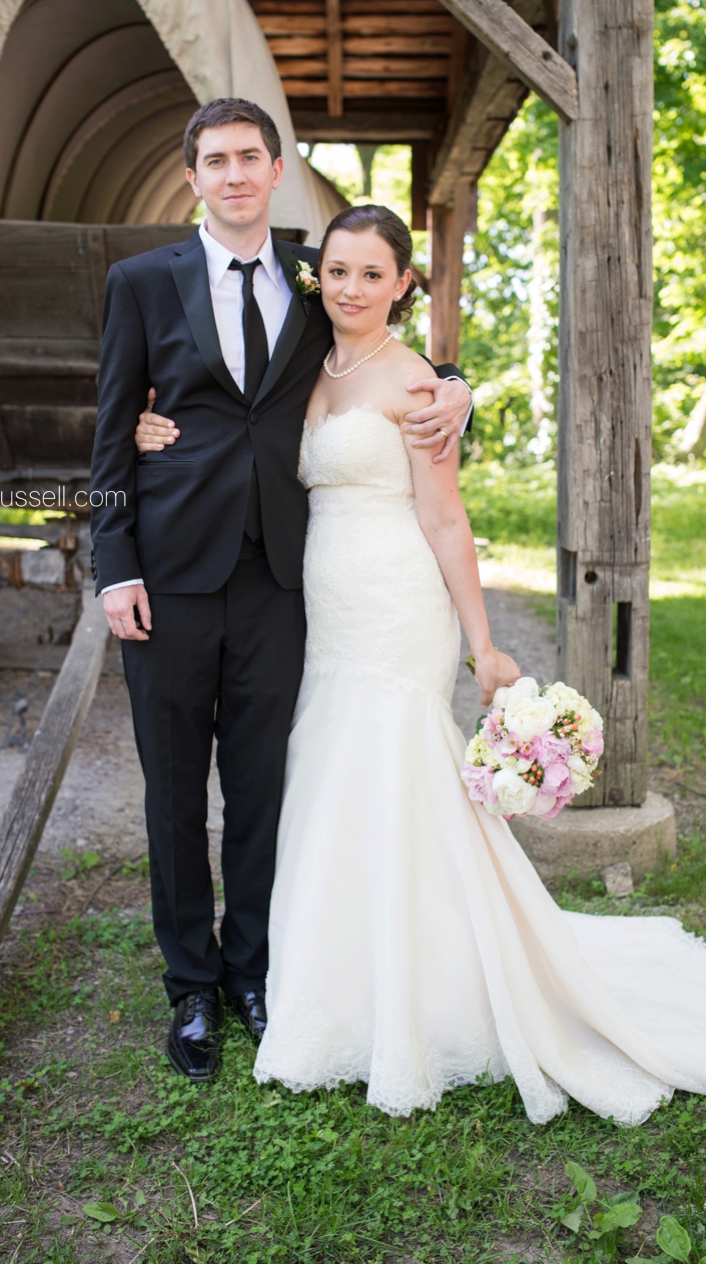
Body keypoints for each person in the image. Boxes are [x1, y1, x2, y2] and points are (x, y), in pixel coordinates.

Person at [147, 206, 706, 1123]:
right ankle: (331, 967)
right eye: (337, 271)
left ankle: (419, 986)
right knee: (325, 772)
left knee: (394, 764)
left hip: (395, 602)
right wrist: (143, 425)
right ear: (314, 275)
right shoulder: (308, 362)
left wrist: (483, 643)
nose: (352, 288)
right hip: (317, 604)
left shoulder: (414, 384)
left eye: (373, 273)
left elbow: (445, 518)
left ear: (405, 283)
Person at [90, 99, 475, 1082]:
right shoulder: (140, 282)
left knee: (263, 781)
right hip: (168, 577)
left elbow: (372, 338)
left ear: (275, 169)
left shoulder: (315, 277)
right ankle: (189, 984)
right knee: (175, 786)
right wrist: (115, 565)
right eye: (212, 159)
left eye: (248, 157)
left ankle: (252, 966)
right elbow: (108, 431)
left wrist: (456, 380)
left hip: (279, 577)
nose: (231, 173)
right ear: (194, 177)